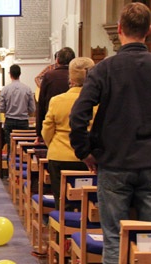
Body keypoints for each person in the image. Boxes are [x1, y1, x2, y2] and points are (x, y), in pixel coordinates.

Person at [69, 3, 151, 263]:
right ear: (149, 30)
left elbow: (78, 116)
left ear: (119, 29)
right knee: (150, 241)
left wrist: (84, 152)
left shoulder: (103, 70)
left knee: (113, 240)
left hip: (113, 164)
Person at [42, 57, 95, 211]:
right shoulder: (98, 101)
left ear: (70, 78)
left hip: (60, 156)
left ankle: (62, 232)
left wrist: (52, 145)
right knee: (90, 202)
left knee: (62, 201)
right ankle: (87, 231)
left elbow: (47, 130)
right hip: (89, 159)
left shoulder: (57, 100)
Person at [36, 47, 75, 142]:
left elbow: (41, 104)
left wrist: (39, 133)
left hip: (53, 125)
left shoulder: (49, 75)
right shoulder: (76, 75)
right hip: (73, 123)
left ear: (57, 60)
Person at [0, 64, 35, 160]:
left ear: (10, 75)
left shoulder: (5, 89)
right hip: (23, 121)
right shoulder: (27, 89)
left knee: (11, 147)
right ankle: (24, 169)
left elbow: (1, 109)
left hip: (10, 121)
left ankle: (11, 169)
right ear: (20, 74)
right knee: (24, 146)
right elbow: (32, 109)